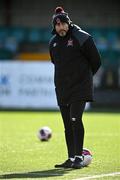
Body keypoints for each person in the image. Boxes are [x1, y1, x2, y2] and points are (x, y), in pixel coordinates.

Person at [49, 7, 101, 169]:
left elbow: (96, 61)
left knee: (75, 119)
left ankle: (79, 157)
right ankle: (71, 158)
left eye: (63, 23)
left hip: (80, 87)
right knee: (67, 125)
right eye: (57, 25)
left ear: (68, 23)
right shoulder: (53, 42)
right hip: (63, 88)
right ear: (54, 27)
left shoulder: (82, 37)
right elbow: (55, 63)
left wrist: (84, 78)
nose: (61, 27)